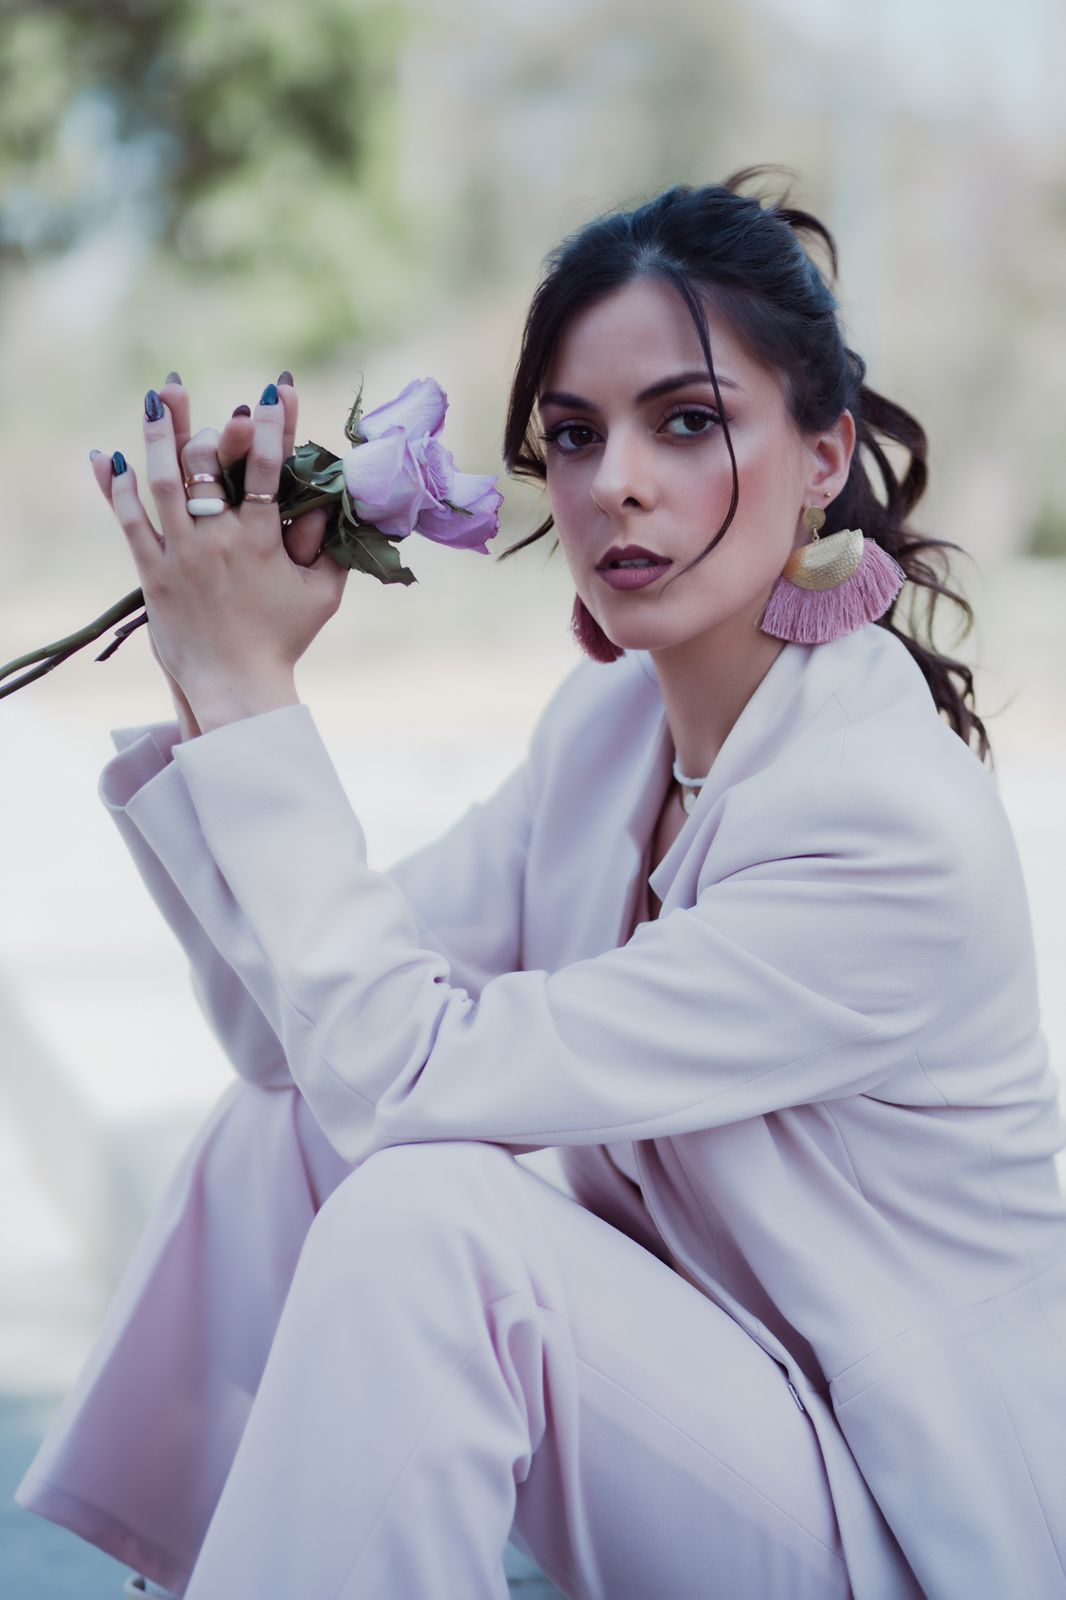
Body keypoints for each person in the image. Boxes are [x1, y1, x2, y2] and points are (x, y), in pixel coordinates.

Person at [16, 166, 1066, 1599]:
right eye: (574, 435)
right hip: (709, 1426)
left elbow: (404, 1073)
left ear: (823, 458)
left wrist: (255, 696)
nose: (614, 479)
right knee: (288, 1132)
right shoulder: (608, 734)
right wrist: (214, 681)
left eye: (686, 422)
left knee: (431, 1228)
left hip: (899, 1519)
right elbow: (292, 1043)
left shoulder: (882, 821)